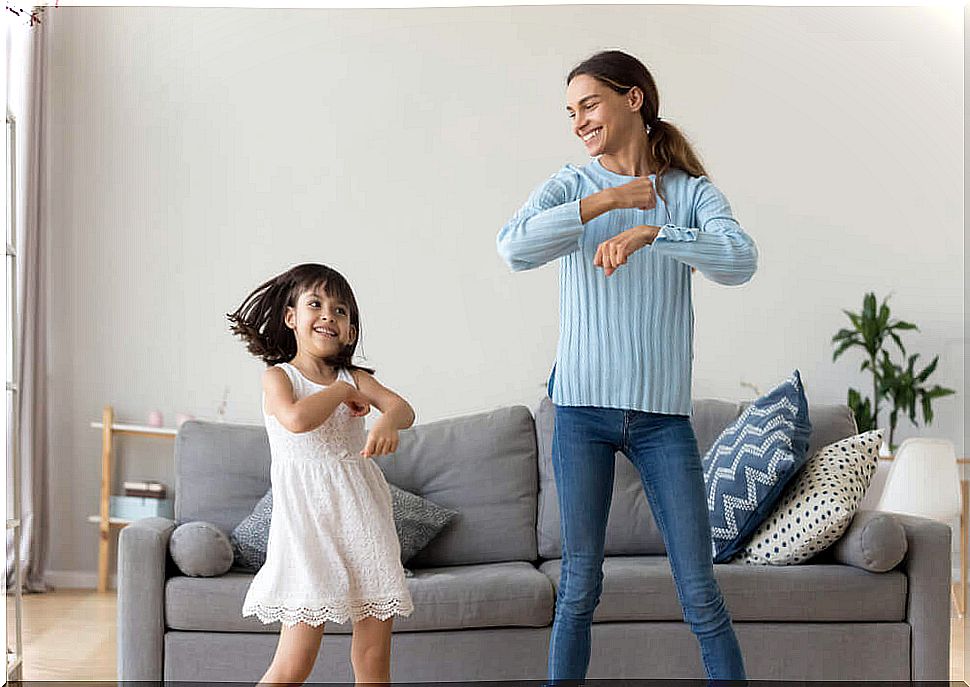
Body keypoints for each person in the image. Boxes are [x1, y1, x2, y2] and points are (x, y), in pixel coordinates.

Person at [496, 50, 757, 683]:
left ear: (633, 99)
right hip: (581, 412)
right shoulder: (572, 183)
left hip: (662, 418)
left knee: (699, 589)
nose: (579, 122)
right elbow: (513, 247)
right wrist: (607, 201)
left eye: (589, 104)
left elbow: (740, 259)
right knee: (579, 587)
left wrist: (654, 233)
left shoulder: (690, 194)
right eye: (571, 112)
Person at [227, 262, 415, 686]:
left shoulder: (355, 377)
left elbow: (403, 409)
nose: (329, 315)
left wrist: (386, 422)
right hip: (307, 530)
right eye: (317, 304)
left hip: (364, 521)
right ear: (292, 317)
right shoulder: (279, 377)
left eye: (341, 310)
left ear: (350, 332)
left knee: (372, 660)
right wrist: (342, 392)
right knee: (295, 664)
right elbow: (296, 420)